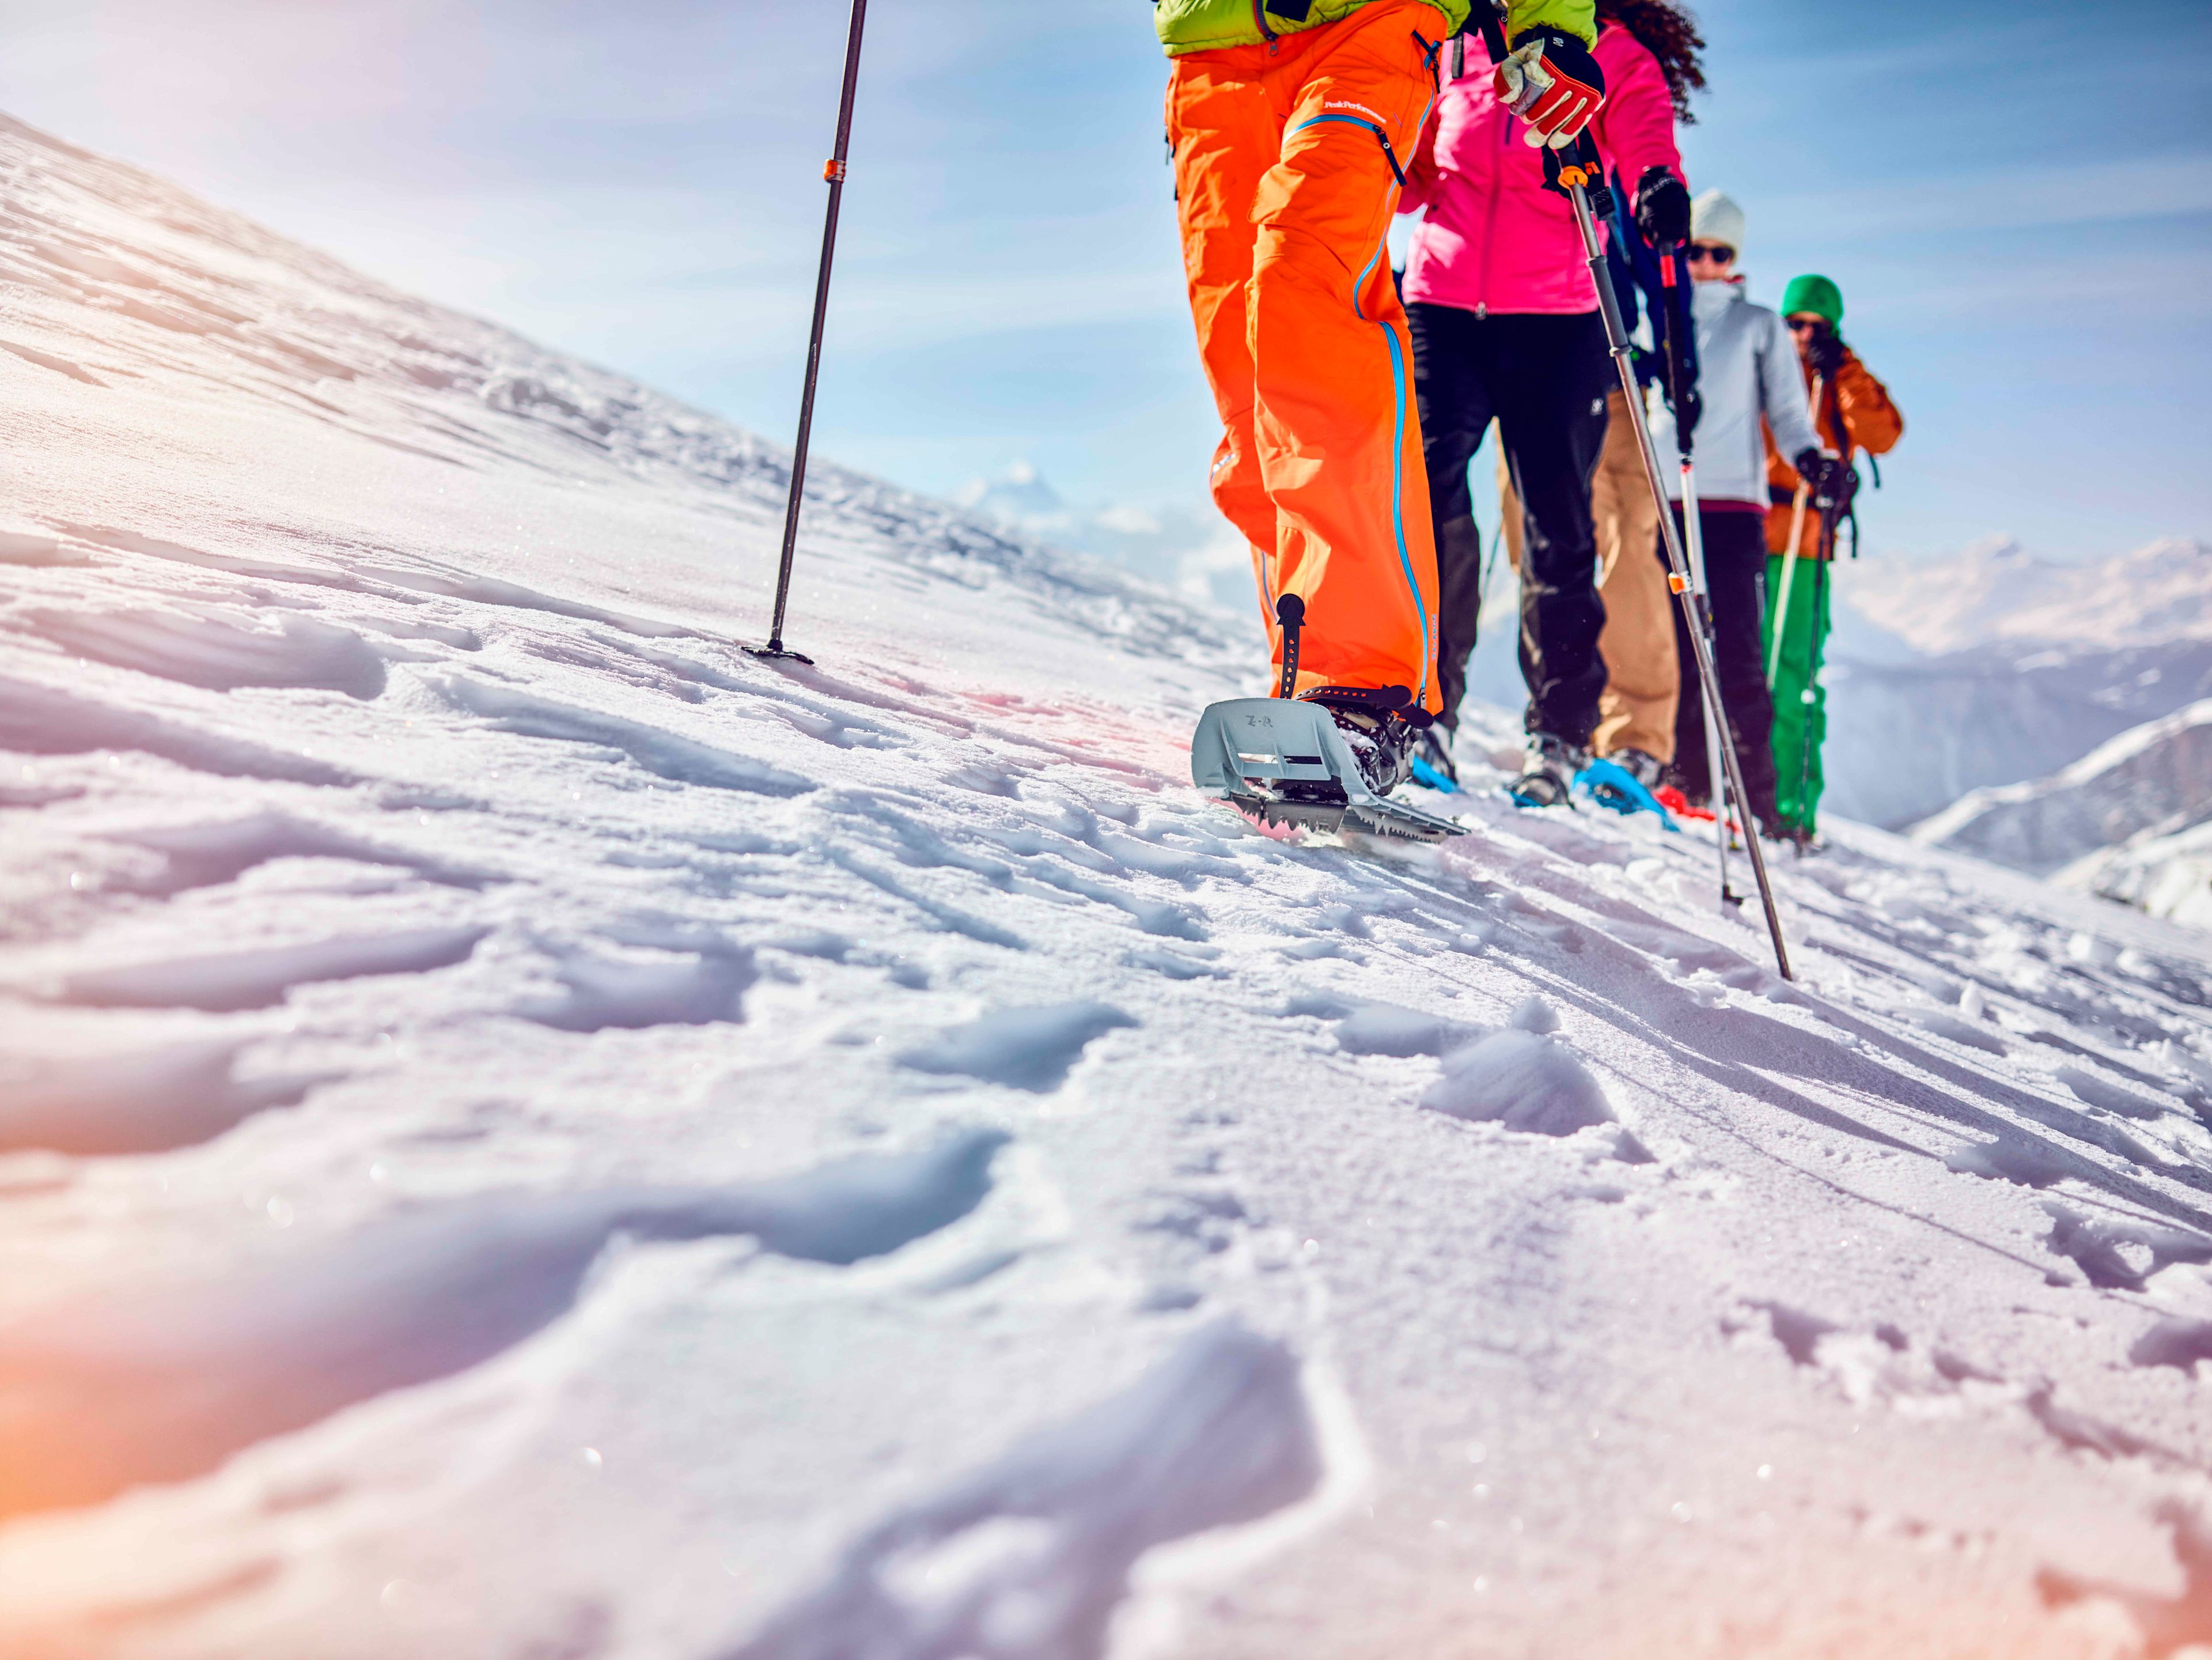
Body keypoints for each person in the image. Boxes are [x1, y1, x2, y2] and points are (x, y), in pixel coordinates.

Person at [1158, 0, 1605, 796]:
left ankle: (1360, 693)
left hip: (1372, 23)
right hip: (1211, 46)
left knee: (1307, 294)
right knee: (1245, 372)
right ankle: (1302, 684)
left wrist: (1554, 23)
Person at [1396, 0, 1693, 804]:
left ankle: (1557, 734)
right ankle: (1422, 709)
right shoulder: (1450, 46)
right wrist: (1377, 163)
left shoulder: (1614, 53)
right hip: (1441, 305)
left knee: (1557, 527)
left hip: (1558, 316)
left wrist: (1658, 185)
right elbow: (1417, 168)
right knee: (1423, 498)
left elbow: (1643, 144)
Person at [1483, 0, 1706, 800]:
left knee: (1620, 546)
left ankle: (1636, 738)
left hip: (1609, 353)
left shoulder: (1606, 72)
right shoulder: (1491, 53)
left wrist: (1680, 360)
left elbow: (1658, 252)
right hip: (1526, 340)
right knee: (1536, 541)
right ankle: (1569, 722)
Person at [1645, 191, 1843, 833]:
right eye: (1695, 249)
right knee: (1673, 643)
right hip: (1668, 499)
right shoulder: (1657, 312)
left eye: (1719, 253)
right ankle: (1687, 775)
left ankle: (1757, 794)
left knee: (1736, 646)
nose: (1704, 262)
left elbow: (1787, 410)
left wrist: (1810, 458)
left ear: (1736, 259)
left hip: (1732, 506)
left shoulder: (1758, 323)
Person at [1762, 273, 1903, 845]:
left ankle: (1793, 806)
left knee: (1795, 679)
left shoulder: (1841, 381)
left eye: (1816, 327)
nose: (1802, 336)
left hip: (1805, 548)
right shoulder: (1764, 368)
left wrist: (1841, 368)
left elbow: (1882, 434)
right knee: (1742, 669)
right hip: (1750, 535)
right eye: (1794, 324)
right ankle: (1737, 788)